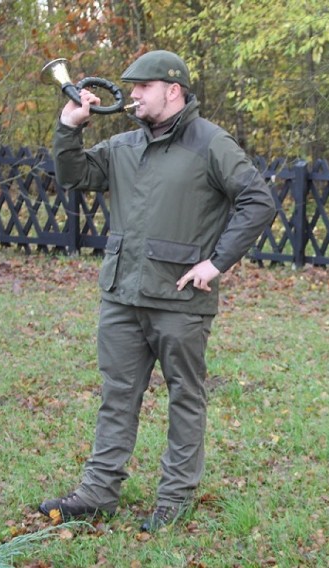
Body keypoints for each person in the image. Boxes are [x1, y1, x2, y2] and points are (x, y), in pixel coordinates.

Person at [38, 50, 276, 532]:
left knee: (185, 396)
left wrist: (217, 261)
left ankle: (175, 496)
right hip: (122, 296)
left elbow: (258, 201)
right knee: (117, 394)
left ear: (174, 90)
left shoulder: (211, 143)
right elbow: (73, 175)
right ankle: (99, 491)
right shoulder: (125, 144)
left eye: (142, 86)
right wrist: (70, 127)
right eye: (130, 87)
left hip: (181, 300)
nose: (132, 94)